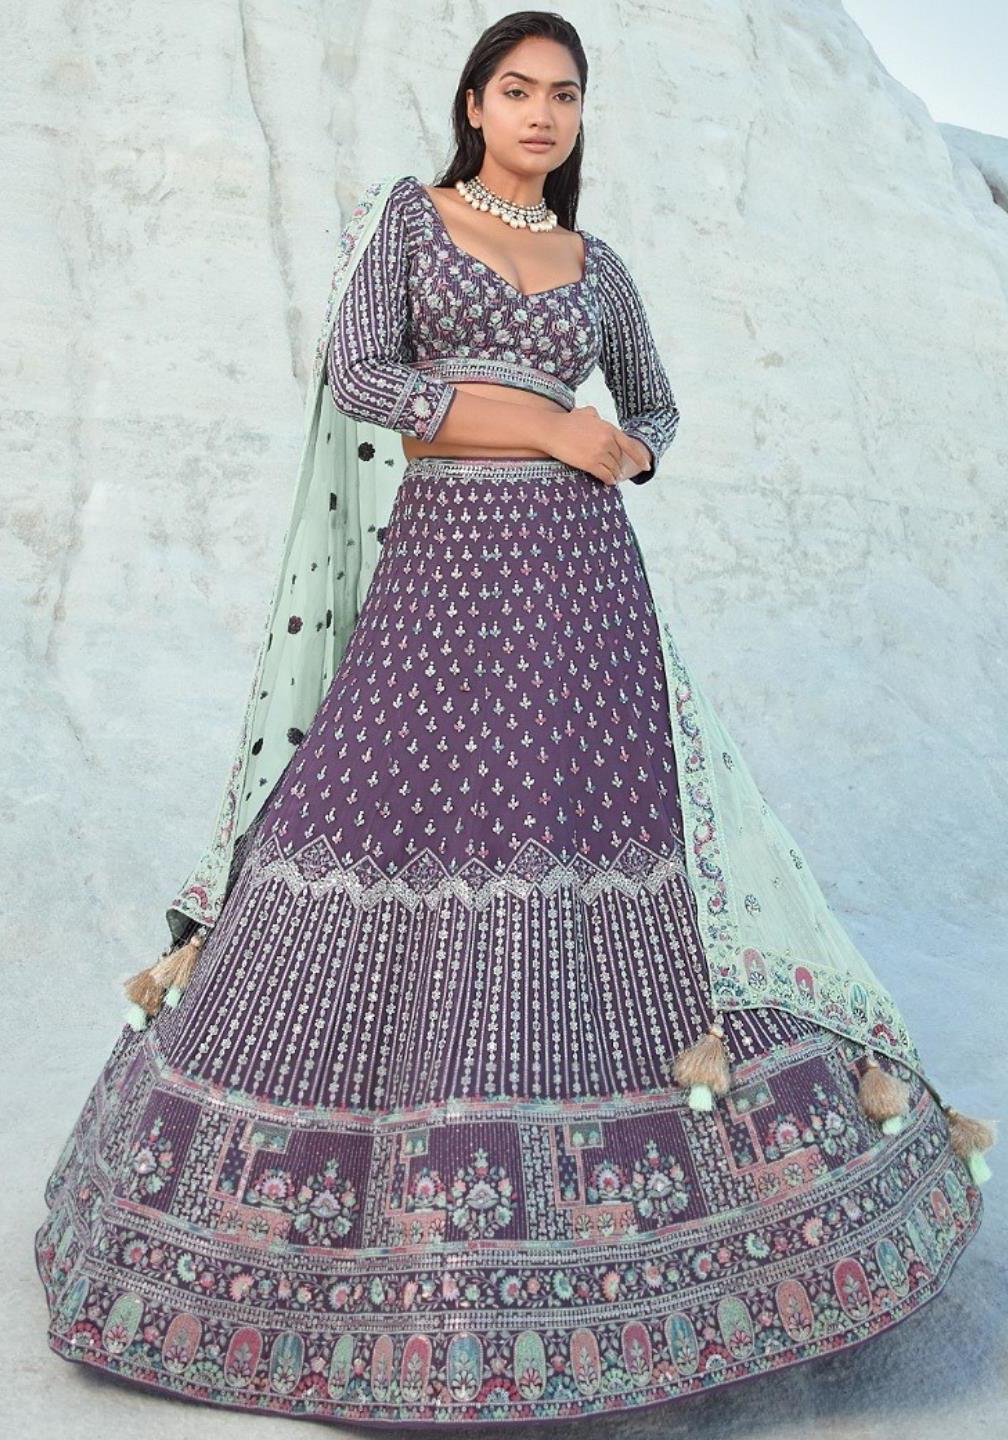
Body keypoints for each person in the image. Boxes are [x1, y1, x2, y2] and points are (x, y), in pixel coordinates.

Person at [34, 11, 994, 1427]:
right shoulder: (411, 223)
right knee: (384, 820)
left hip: (584, 590)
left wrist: (623, 452)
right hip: (444, 572)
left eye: (566, 94)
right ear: (475, 104)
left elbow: (656, 410)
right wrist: (546, 425)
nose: (542, 113)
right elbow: (364, 381)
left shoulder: (602, 268)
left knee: (582, 831)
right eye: (518, 89)